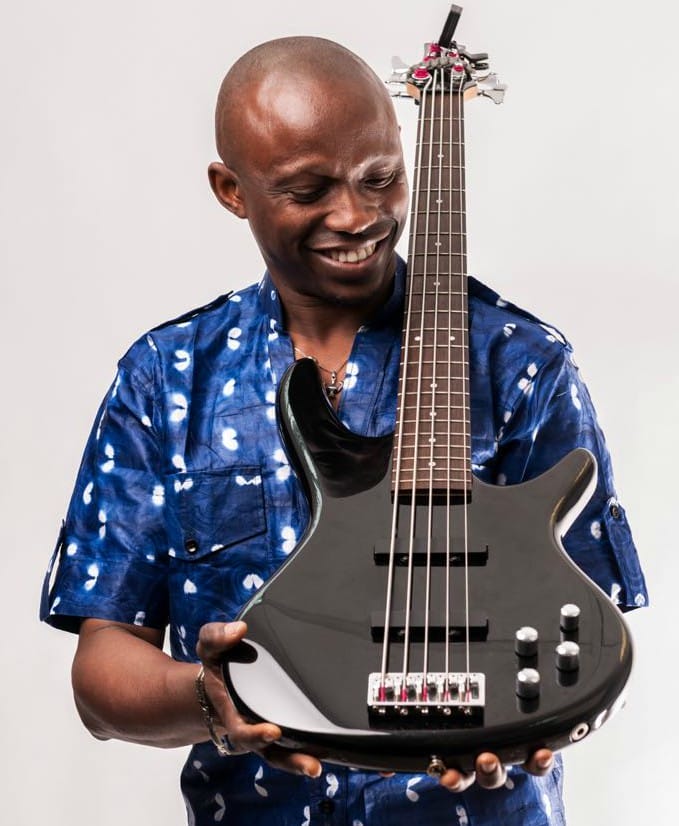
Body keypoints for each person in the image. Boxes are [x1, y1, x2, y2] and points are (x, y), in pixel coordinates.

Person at [41, 36, 647, 826]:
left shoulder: (523, 363)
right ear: (232, 190)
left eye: (380, 178)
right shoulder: (164, 377)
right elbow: (102, 675)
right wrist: (206, 698)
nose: (356, 215)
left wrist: (555, 703)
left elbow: (584, 623)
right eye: (307, 188)